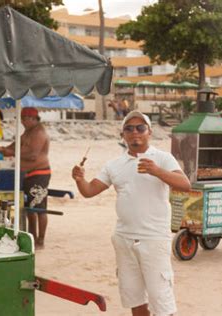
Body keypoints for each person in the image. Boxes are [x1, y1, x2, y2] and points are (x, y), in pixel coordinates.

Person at [71, 110, 191, 316]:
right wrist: (80, 179)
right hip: (124, 239)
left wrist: (157, 171)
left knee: (161, 300)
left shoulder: (162, 158)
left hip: (154, 239)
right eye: (129, 128)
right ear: (122, 135)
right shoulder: (114, 165)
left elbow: (185, 185)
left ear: (149, 132)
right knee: (134, 298)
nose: (135, 132)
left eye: (140, 128)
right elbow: (90, 191)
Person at [2, 107, 51, 249]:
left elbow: (32, 154)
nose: (22, 122)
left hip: (40, 173)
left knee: (40, 208)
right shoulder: (27, 132)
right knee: (30, 208)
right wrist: (2, 150)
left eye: (24, 119)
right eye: (21, 119)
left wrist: (11, 152)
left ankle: (41, 240)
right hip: (28, 174)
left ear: (33, 119)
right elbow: (13, 147)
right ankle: (33, 237)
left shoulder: (39, 133)